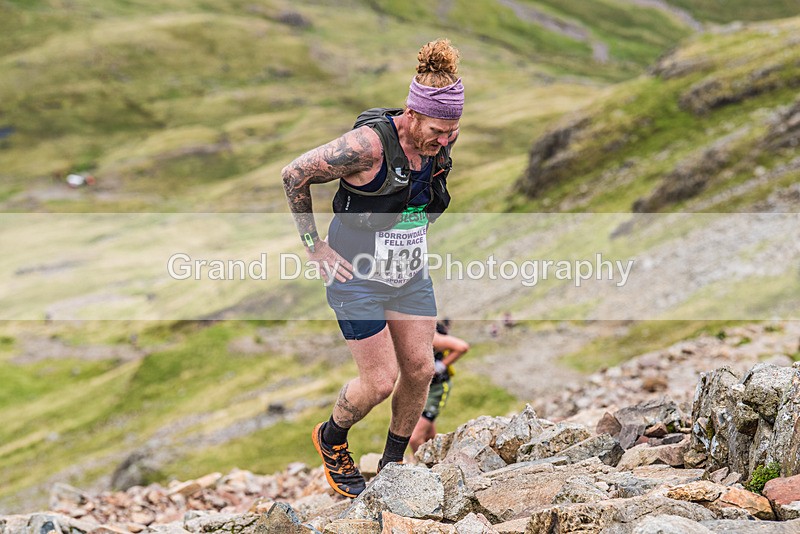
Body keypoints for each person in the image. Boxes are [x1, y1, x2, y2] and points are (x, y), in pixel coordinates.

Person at [281, 39, 464, 498]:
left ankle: (391, 467)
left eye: (452, 131)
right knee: (379, 381)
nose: (444, 140)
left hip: (408, 275)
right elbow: (293, 174)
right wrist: (313, 246)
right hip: (355, 276)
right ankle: (332, 437)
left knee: (421, 369)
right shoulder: (366, 148)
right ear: (412, 113)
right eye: (437, 131)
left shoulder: (441, 140)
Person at [409, 319, 470, 454]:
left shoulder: (429, 336)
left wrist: (440, 366)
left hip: (436, 389)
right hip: (422, 389)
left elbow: (462, 346)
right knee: (429, 435)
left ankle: (421, 470)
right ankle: (440, 461)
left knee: (414, 438)